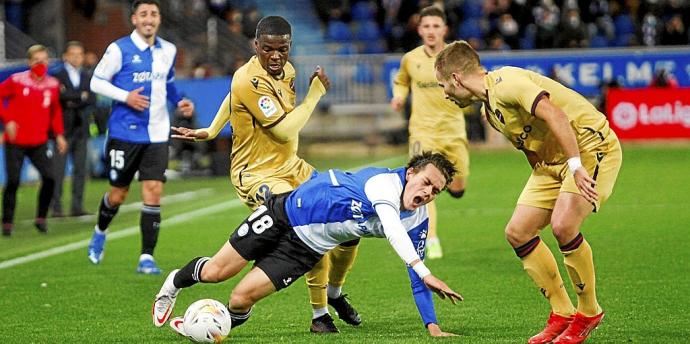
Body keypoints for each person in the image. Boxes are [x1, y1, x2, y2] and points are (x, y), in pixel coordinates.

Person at [170, 16, 361, 333]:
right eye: (268, 49)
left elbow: (233, 98)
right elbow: (285, 131)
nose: (275, 56)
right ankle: (319, 315)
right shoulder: (249, 78)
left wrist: (211, 129)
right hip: (258, 174)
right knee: (309, 227)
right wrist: (315, 95)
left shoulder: (287, 71)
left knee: (349, 224)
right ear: (255, 45)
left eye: (282, 49)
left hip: (292, 166)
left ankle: (334, 292)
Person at [152, 152, 463, 336]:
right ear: (410, 173)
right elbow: (391, 226)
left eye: (435, 191)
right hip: (282, 212)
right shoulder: (385, 183)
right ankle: (173, 283)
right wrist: (424, 270)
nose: (427, 193)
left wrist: (432, 326)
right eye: (425, 182)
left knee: (239, 300)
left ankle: (209, 329)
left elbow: (418, 280)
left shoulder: (417, 219)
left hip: (305, 248)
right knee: (216, 272)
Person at [435, 40, 622, 344]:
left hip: (589, 148)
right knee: (518, 231)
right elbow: (529, 144)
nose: (444, 93)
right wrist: (544, 172)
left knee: (563, 226)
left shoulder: (507, 82)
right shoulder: (490, 111)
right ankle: (562, 312)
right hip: (552, 162)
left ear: (456, 78)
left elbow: (556, 115)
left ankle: (588, 312)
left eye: (443, 85)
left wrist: (575, 166)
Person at [86, 0, 195, 274]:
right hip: (124, 133)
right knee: (118, 194)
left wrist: (180, 100)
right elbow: (96, 81)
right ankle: (100, 231)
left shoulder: (168, 50)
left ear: (159, 19)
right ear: (134, 19)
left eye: (154, 14)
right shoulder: (118, 49)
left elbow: (168, 82)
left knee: (153, 191)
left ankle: (146, 257)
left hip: (158, 133)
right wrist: (126, 97)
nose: (149, 19)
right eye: (144, 14)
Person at [390, 6, 470, 260]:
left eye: (436, 26)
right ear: (419, 29)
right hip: (422, 132)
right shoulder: (410, 59)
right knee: (422, 182)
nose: (431, 31)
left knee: (457, 187)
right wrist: (399, 97)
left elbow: (476, 81)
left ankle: (453, 187)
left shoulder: (457, 56)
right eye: (426, 26)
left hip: (453, 131)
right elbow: (401, 80)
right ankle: (431, 237)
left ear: (444, 30)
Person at [0, 44, 67, 236]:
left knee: (50, 178)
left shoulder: (52, 84)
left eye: (44, 60)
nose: (41, 64)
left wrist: (59, 134)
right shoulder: (16, 80)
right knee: (13, 181)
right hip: (16, 141)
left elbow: (55, 111)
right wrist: (8, 120)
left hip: (39, 141)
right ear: (30, 62)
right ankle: (7, 222)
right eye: (37, 60)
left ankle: (41, 218)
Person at [51, 41, 95, 217]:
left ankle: (77, 206)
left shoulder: (87, 76)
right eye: (74, 54)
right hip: (62, 130)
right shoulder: (57, 75)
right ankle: (56, 207)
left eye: (80, 54)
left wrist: (70, 98)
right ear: (65, 56)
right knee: (58, 170)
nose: (77, 57)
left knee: (80, 170)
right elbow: (58, 97)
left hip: (81, 129)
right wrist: (79, 96)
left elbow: (92, 99)